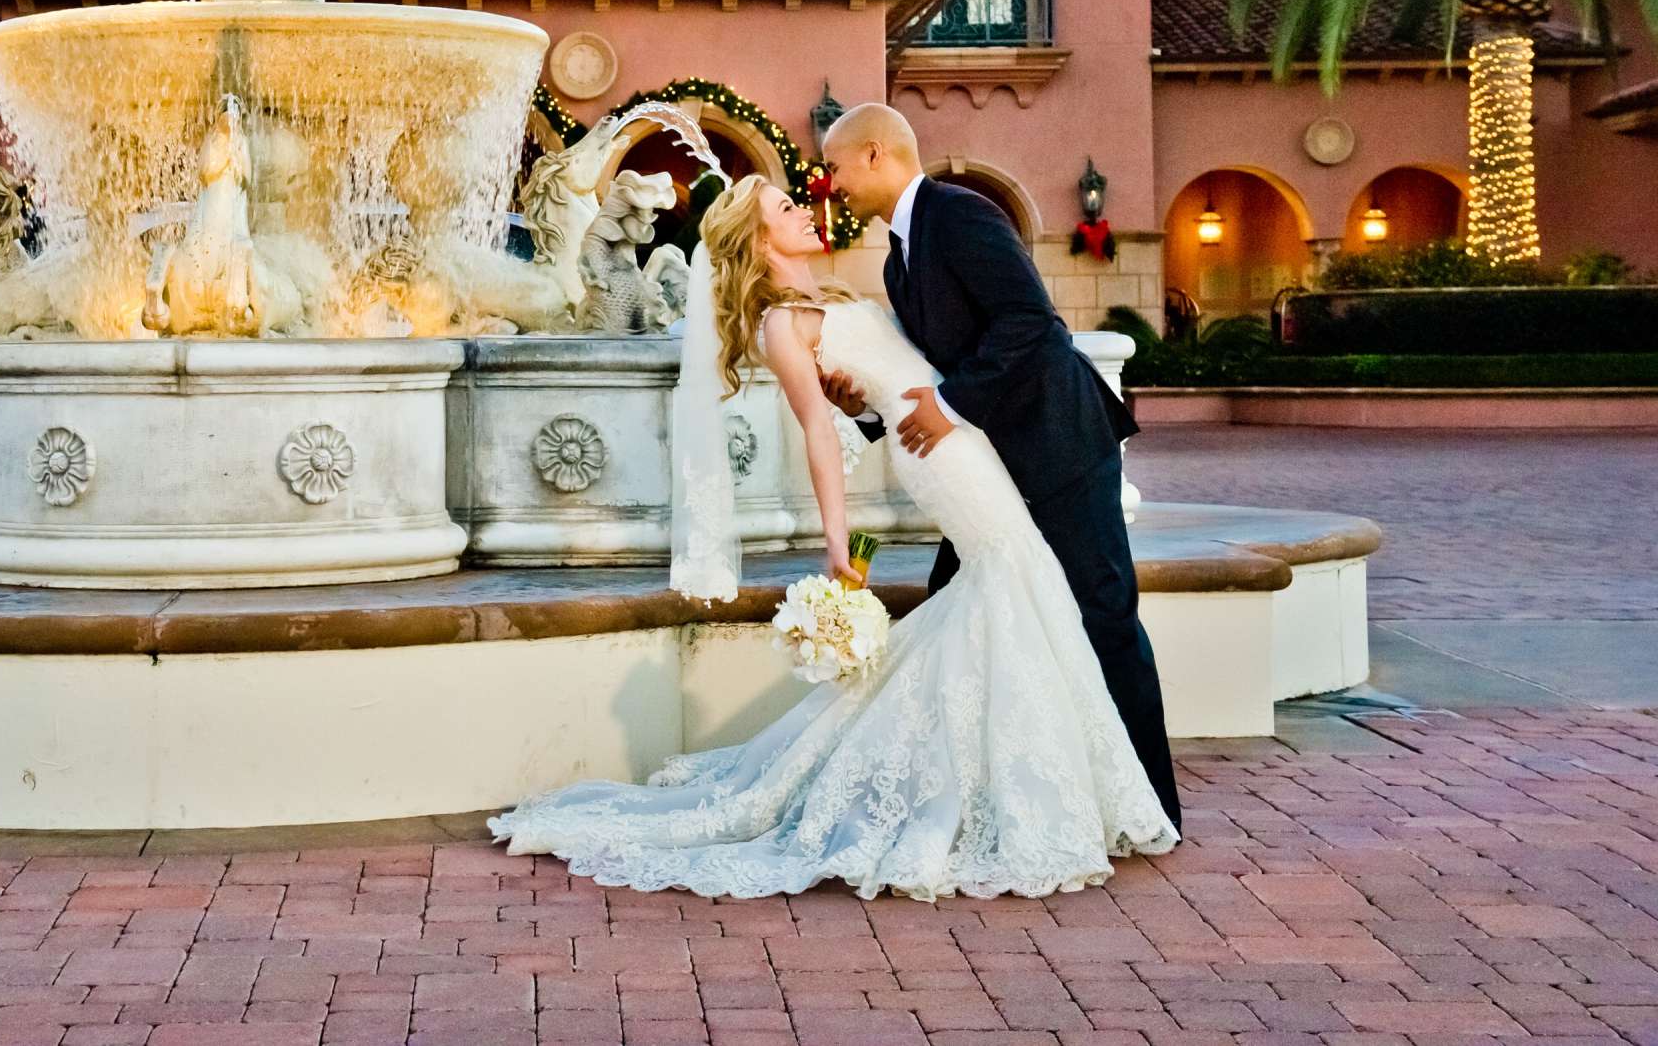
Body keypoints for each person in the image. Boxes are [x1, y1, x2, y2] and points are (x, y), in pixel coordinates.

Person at [489, 175, 1178, 901]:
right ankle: (1028, 790)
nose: (803, 211)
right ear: (757, 241)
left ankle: (1011, 776)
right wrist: (839, 545)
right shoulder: (784, 324)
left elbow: (904, 371)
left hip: (964, 437)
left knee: (1009, 590)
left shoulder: (842, 296)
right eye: (784, 211)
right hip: (939, 455)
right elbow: (819, 430)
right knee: (1014, 578)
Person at [818, 103, 1181, 832]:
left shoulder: (960, 214)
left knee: (1104, 615)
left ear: (877, 153)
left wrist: (950, 404)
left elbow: (1033, 325)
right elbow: (919, 371)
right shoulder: (898, 259)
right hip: (989, 472)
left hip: (1060, 449)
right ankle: (976, 802)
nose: (831, 186)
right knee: (958, 611)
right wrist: (860, 405)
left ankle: (1150, 804)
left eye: (835, 167)